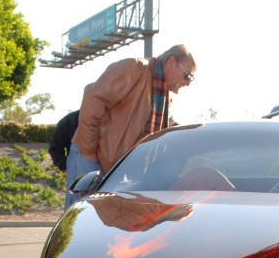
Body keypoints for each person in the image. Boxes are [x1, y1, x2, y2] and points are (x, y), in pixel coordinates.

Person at [66, 44, 196, 207]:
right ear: (171, 62)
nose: (188, 83)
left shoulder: (164, 97)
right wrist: (89, 152)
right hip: (94, 159)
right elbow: (93, 96)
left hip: (118, 169)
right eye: (188, 76)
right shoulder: (134, 68)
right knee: (80, 221)